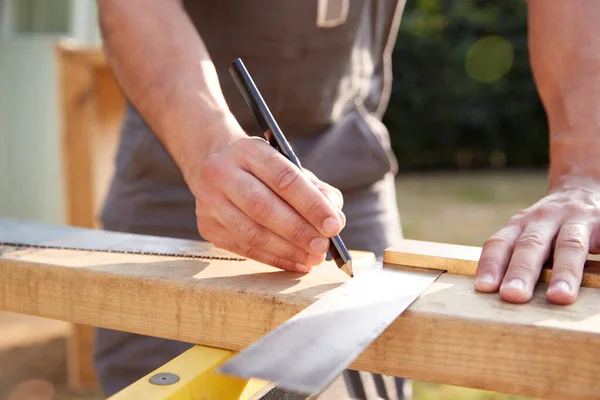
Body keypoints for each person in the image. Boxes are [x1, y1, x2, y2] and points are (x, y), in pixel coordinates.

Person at [93, 1, 600, 398]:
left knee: (363, 375)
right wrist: (208, 145)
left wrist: (583, 172)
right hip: (180, 156)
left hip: (351, 154)